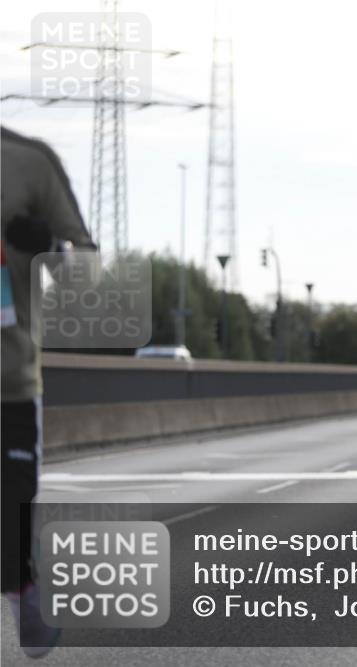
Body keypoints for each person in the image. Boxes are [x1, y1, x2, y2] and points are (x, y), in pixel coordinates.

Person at [2, 126, 97, 658]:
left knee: (10, 516)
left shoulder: (29, 162)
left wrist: (50, 249)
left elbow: (85, 272)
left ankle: (21, 586)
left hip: (8, 381)